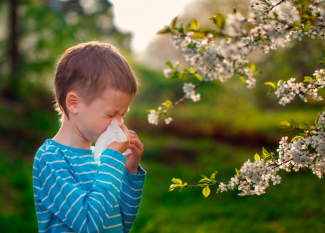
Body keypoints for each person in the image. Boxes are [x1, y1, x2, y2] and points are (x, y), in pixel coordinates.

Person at [32, 41, 146, 233]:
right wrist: (111, 161)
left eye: (123, 114)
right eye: (111, 114)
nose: (118, 123)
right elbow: (89, 224)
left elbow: (122, 224)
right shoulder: (50, 159)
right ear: (74, 103)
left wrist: (129, 170)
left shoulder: (101, 157)